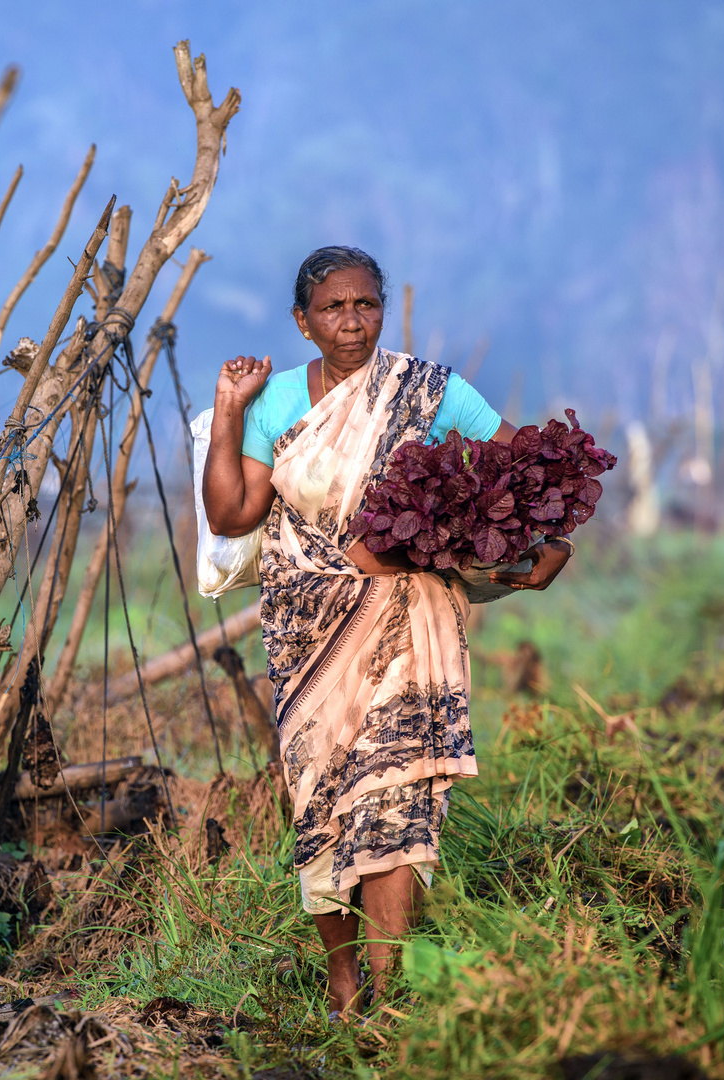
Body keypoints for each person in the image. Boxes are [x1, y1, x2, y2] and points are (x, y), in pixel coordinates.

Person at [202, 246, 571, 1016]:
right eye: (333, 309)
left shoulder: (431, 390)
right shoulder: (275, 405)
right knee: (324, 797)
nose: (352, 322)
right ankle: (343, 984)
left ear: (383, 309)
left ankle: (391, 992)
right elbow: (231, 515)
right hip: (309, 630)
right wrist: (230, 410)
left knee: (394, 792)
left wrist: (551, 539)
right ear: (302, 323)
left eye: (365, 305)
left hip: (411, 622)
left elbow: (522, 468)